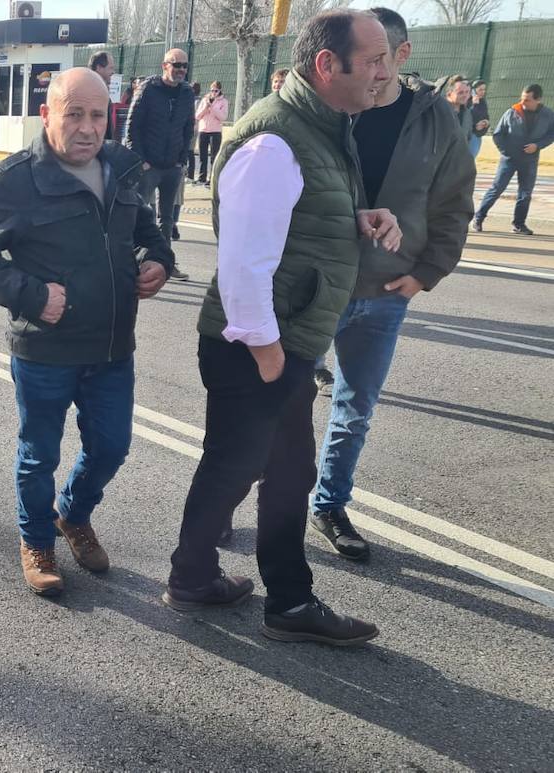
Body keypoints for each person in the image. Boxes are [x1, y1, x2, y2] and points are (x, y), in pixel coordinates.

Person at [163, 9, 400, 646]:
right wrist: (274, 363)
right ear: (329, 65)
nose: (385, 72)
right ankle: (286, 603)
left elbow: (294, 219)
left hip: (277, 339)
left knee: (248, 468)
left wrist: (358, 217)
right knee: (268, 471)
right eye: (374, 60)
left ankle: (197, 578)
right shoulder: (273, 141)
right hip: (260, 344)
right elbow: (243, 266)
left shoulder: (320, 127)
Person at [0, 68, 174, 596]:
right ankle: (37, 540)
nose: (88, 127)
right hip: (45, 351)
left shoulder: (122, 167)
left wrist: (157, 261)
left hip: (113, 347)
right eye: (74, 113)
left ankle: (72, 514)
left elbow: (147, 233)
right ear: (47, 114)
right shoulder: (14, 180)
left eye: (98, 115)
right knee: (39, 455)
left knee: (112, 447)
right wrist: (33, 296)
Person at [310, 8, 475, 564]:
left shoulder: (433, 121)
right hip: (318, 285)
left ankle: (329, 504)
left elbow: (453, 204)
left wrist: (428, 272)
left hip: (385, 292)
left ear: (401, 56)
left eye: (385, 58)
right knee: (278, 403)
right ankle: (248, 499)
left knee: (355, 407)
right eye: (368, 59)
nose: (376, 71)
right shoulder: (332, 109)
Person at [125, 48, 193, 280]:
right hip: (149, 166)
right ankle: (132, 259)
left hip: (172, 167)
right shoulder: (148, 90)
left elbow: (188, 129)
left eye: (184, 65)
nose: (181, 70)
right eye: (176, 65)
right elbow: (132, 127)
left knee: (167, 218)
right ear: (165, 65)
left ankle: (165, 263)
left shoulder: (186, 93)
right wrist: (140, 160)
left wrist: (182, 160)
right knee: (140, 213)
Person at [474, 83, 554, 235]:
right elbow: (498, 135)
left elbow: (551, 134)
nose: (523, 102)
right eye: (522, 98)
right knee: (496, 189)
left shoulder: (548, 115)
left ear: (538, 100)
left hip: (530, 159)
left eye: (527, 100)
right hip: (509, 159)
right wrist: (506, 152)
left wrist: (537, 145)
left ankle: (519, 224)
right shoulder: (512, 111)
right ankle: (478, 218)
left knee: (525, 193)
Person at [195, 80, 228, 185]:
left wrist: (213, 107)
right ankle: (202, 177)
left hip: (215, 131)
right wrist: (206, 107)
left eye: (216, 91)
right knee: (202, 155)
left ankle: (212, 178)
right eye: (212, 90)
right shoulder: (205, 100)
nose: (213, 92)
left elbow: (223, 117)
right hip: (203, 130)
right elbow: (197, 116)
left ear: (220, 91)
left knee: (214, 156)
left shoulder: (223, 102)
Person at [88, 51, 117, 140]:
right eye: (110, 68)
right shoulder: (89, 92)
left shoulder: (102, 91)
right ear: (99, 68)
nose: (113, 72)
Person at [447, 76, 474, 143]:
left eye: (467, 92)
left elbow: (468, 137)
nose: (465, 95)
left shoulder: (467, 113)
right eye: (460, 92)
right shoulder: (439, 111)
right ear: (449, 93)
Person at [185, 81, 202, 182]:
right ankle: (188, 173)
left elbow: (195, 116)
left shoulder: (197, 101)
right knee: (187, 150)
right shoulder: (190, 100)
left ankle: (190, 175)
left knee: (190, 151)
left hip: (193, 128)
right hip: (190, 127)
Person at [469, 80, 490, 157]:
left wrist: (485, 122)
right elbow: (468, 117)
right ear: (473, 90)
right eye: (480, 89)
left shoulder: (483, 102)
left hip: (477, 135)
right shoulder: (468, 101)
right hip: (469, 135)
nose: (483, 92)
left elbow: (486, 116)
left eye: (484, 89)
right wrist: (474, 105)